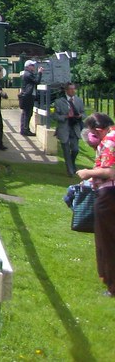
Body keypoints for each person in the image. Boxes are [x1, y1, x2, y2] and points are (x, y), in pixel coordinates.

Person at [76, 113, 115, 297]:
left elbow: (110, 171)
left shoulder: (109, 141)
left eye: (93, 133)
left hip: (109, 195)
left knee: (106, 240)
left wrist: (88, 172)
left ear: (99, 130)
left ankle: (112, 285)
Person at [51, 83, 85, 176]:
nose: (73, 91)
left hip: (75, 128)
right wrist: (66, 116)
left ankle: (72, 163)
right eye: (71, 89)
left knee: (75, 149)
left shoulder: (79, 100)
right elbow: (55, 116)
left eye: (74, 89)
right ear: (66, 90)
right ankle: (70, 171)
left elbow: (83, 113)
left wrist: (81, 116)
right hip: (64, 128)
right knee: (66, 150)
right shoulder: (59, 101)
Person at [18, 59, 39, 136]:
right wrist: (40, 73)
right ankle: (25, 130)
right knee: (27, 113)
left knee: (25, 113)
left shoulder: (26, 74)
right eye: (32, 65)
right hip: (28, 96)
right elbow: (37, 81)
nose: (34, 67)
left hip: (25, 95)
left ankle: (24, 129)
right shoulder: (28, 74)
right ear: (28, 67)